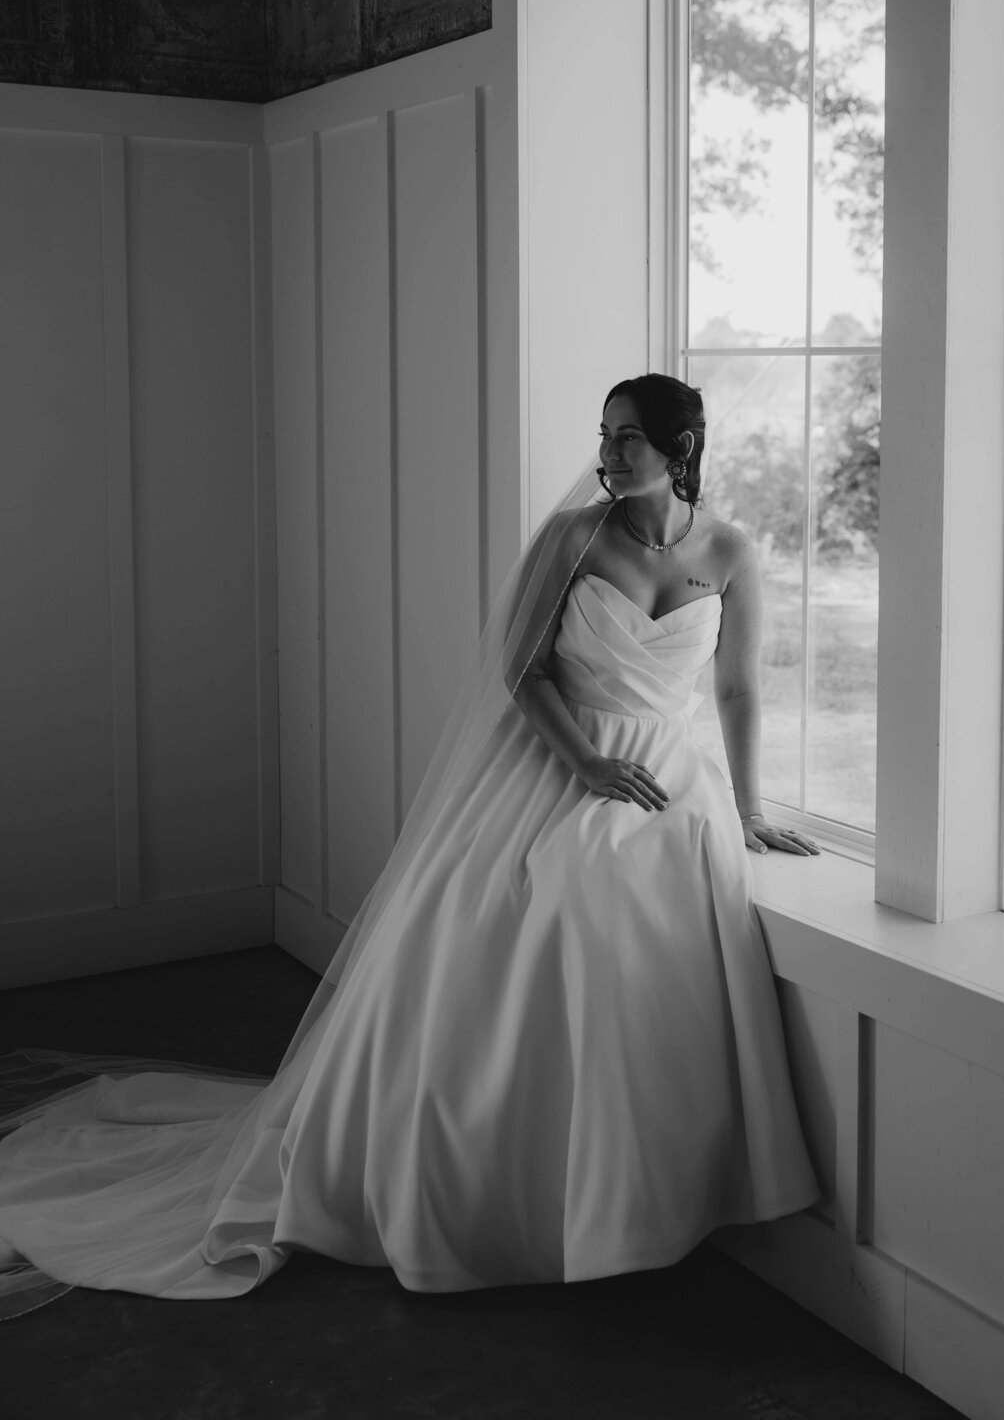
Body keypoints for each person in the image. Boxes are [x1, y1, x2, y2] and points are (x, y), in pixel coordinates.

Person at [0, 373, 820, 1314]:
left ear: (680, 448)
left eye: (630, 436)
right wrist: (588, 766)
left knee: (654, 911)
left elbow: (739, 692)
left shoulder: (729, 549)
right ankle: (510, 1184)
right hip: (570, 758)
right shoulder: (575, 537)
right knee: (555, 893)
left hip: (677, 776)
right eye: (604, 433)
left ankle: (636, 1192)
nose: (609, 451)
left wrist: (750, 810)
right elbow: (521, 671)